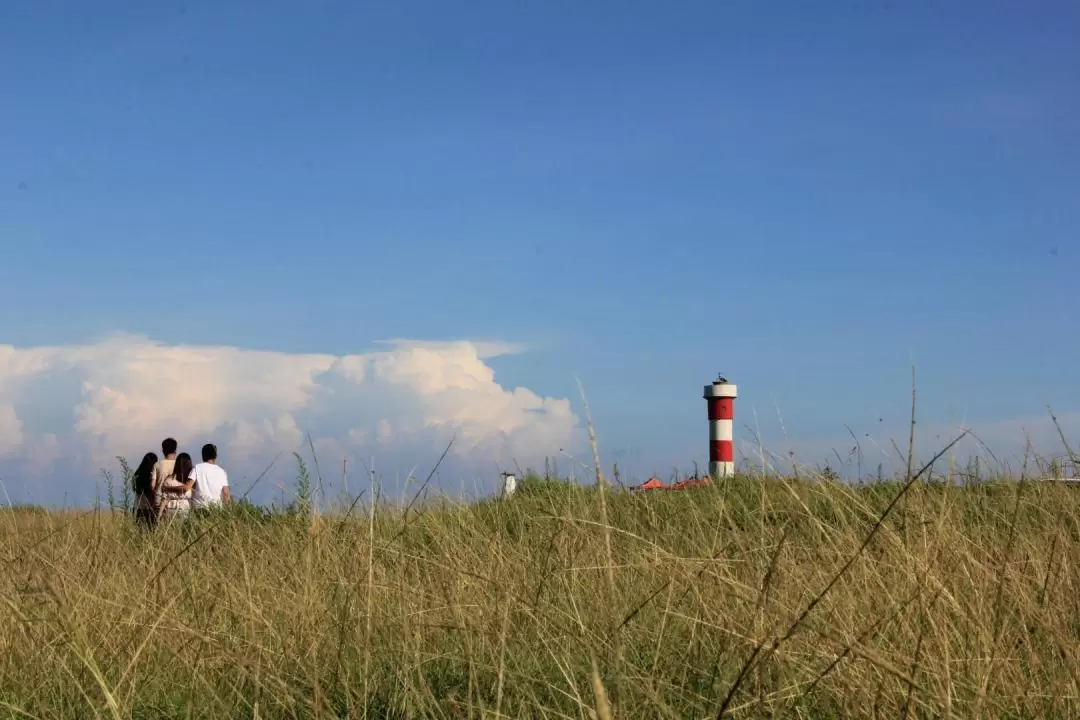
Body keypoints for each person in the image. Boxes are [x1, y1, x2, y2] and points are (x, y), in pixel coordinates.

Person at [190, 443, 230, 511]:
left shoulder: (197, 468)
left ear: (203, 456)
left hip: (199, 508)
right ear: (215, 456)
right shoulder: (221, 471)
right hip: (216, 508)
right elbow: (226, 493)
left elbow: (189, 485)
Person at [157, 452, 195, 522]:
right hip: (185, 510)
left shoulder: (169, 480)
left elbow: (164, 500)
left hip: (170, 509)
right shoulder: (191, 482)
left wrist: (158, 517)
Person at [150, 437, 178, 517]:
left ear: (163, 450)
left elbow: (152, 485)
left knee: (158, 526)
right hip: (174, 501)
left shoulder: (157, 465)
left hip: (159, 499)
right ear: (175, 450)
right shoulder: (178, 465)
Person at [131, 452, 158, 529]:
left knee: (139, 531)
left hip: (137, 506)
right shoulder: (151, 475)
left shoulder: (137, 474)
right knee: (150, 531)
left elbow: (134, 489)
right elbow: (152, 489)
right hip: (149, 507)